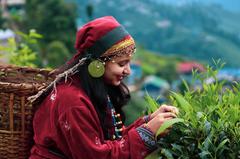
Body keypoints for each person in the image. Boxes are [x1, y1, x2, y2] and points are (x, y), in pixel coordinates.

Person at [29, 16, 179, 159]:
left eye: (129, 63)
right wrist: (148, 132)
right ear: (98, 64)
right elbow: (97, 155)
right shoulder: (73, 102)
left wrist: (149, 121)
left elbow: (113, 141)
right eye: (121, 64)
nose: (128, 71)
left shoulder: (93, 89)